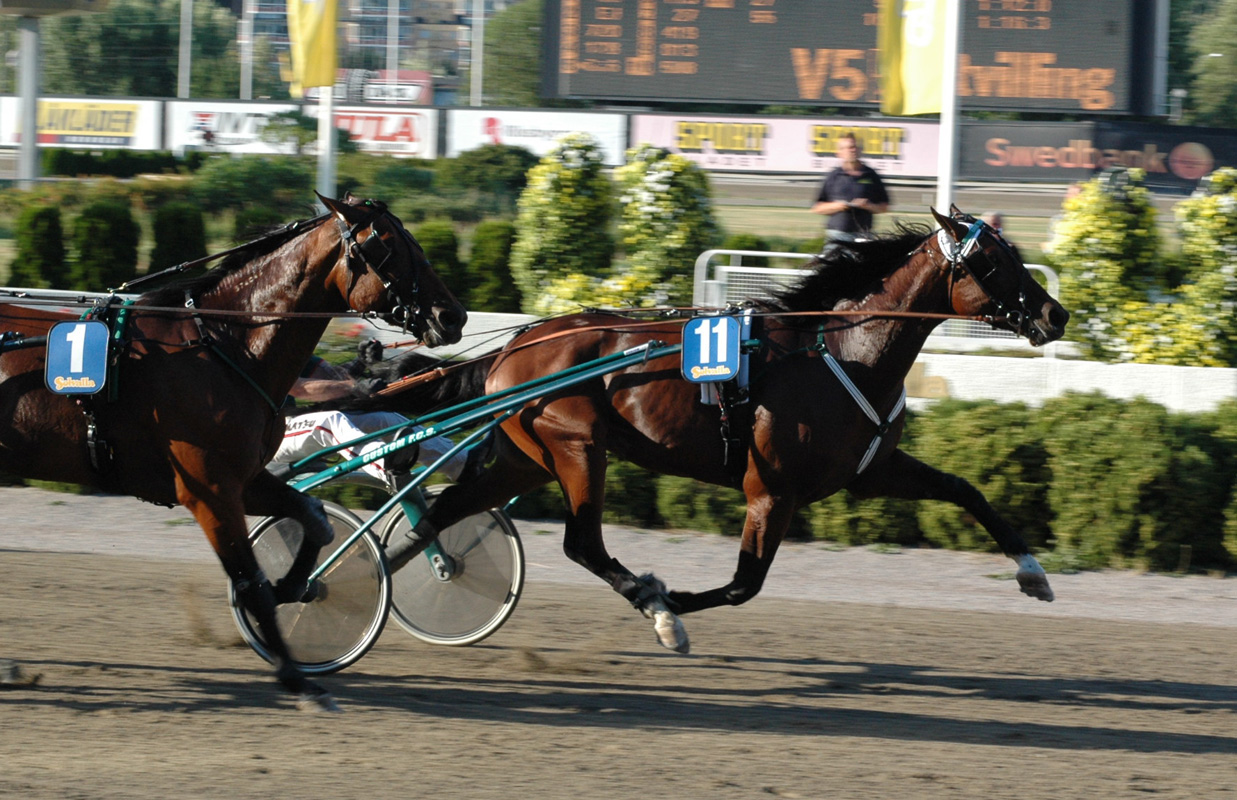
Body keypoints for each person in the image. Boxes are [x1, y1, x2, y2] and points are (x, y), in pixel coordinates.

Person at [272, 342, 487, 491]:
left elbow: (330, 379)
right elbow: (300, 389)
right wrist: (353, 387)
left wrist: (362, 363)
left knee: (385, 418)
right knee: (329, 422)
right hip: (271, 438)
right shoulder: (258, 352)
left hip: (295, 425)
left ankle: (461, 463)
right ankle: (387, 467)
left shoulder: (289, 347)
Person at [810, 132, 891, 249]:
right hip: (838, 235)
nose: (852, 150)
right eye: (848, 148)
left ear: (860, 150)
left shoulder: (871, 175)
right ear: (839, 153)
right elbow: (817, 208)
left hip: (864, 236)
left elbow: (884, 207)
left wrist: (867, 206)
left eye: (854, 147)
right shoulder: (833, 176)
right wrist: (839, 206)